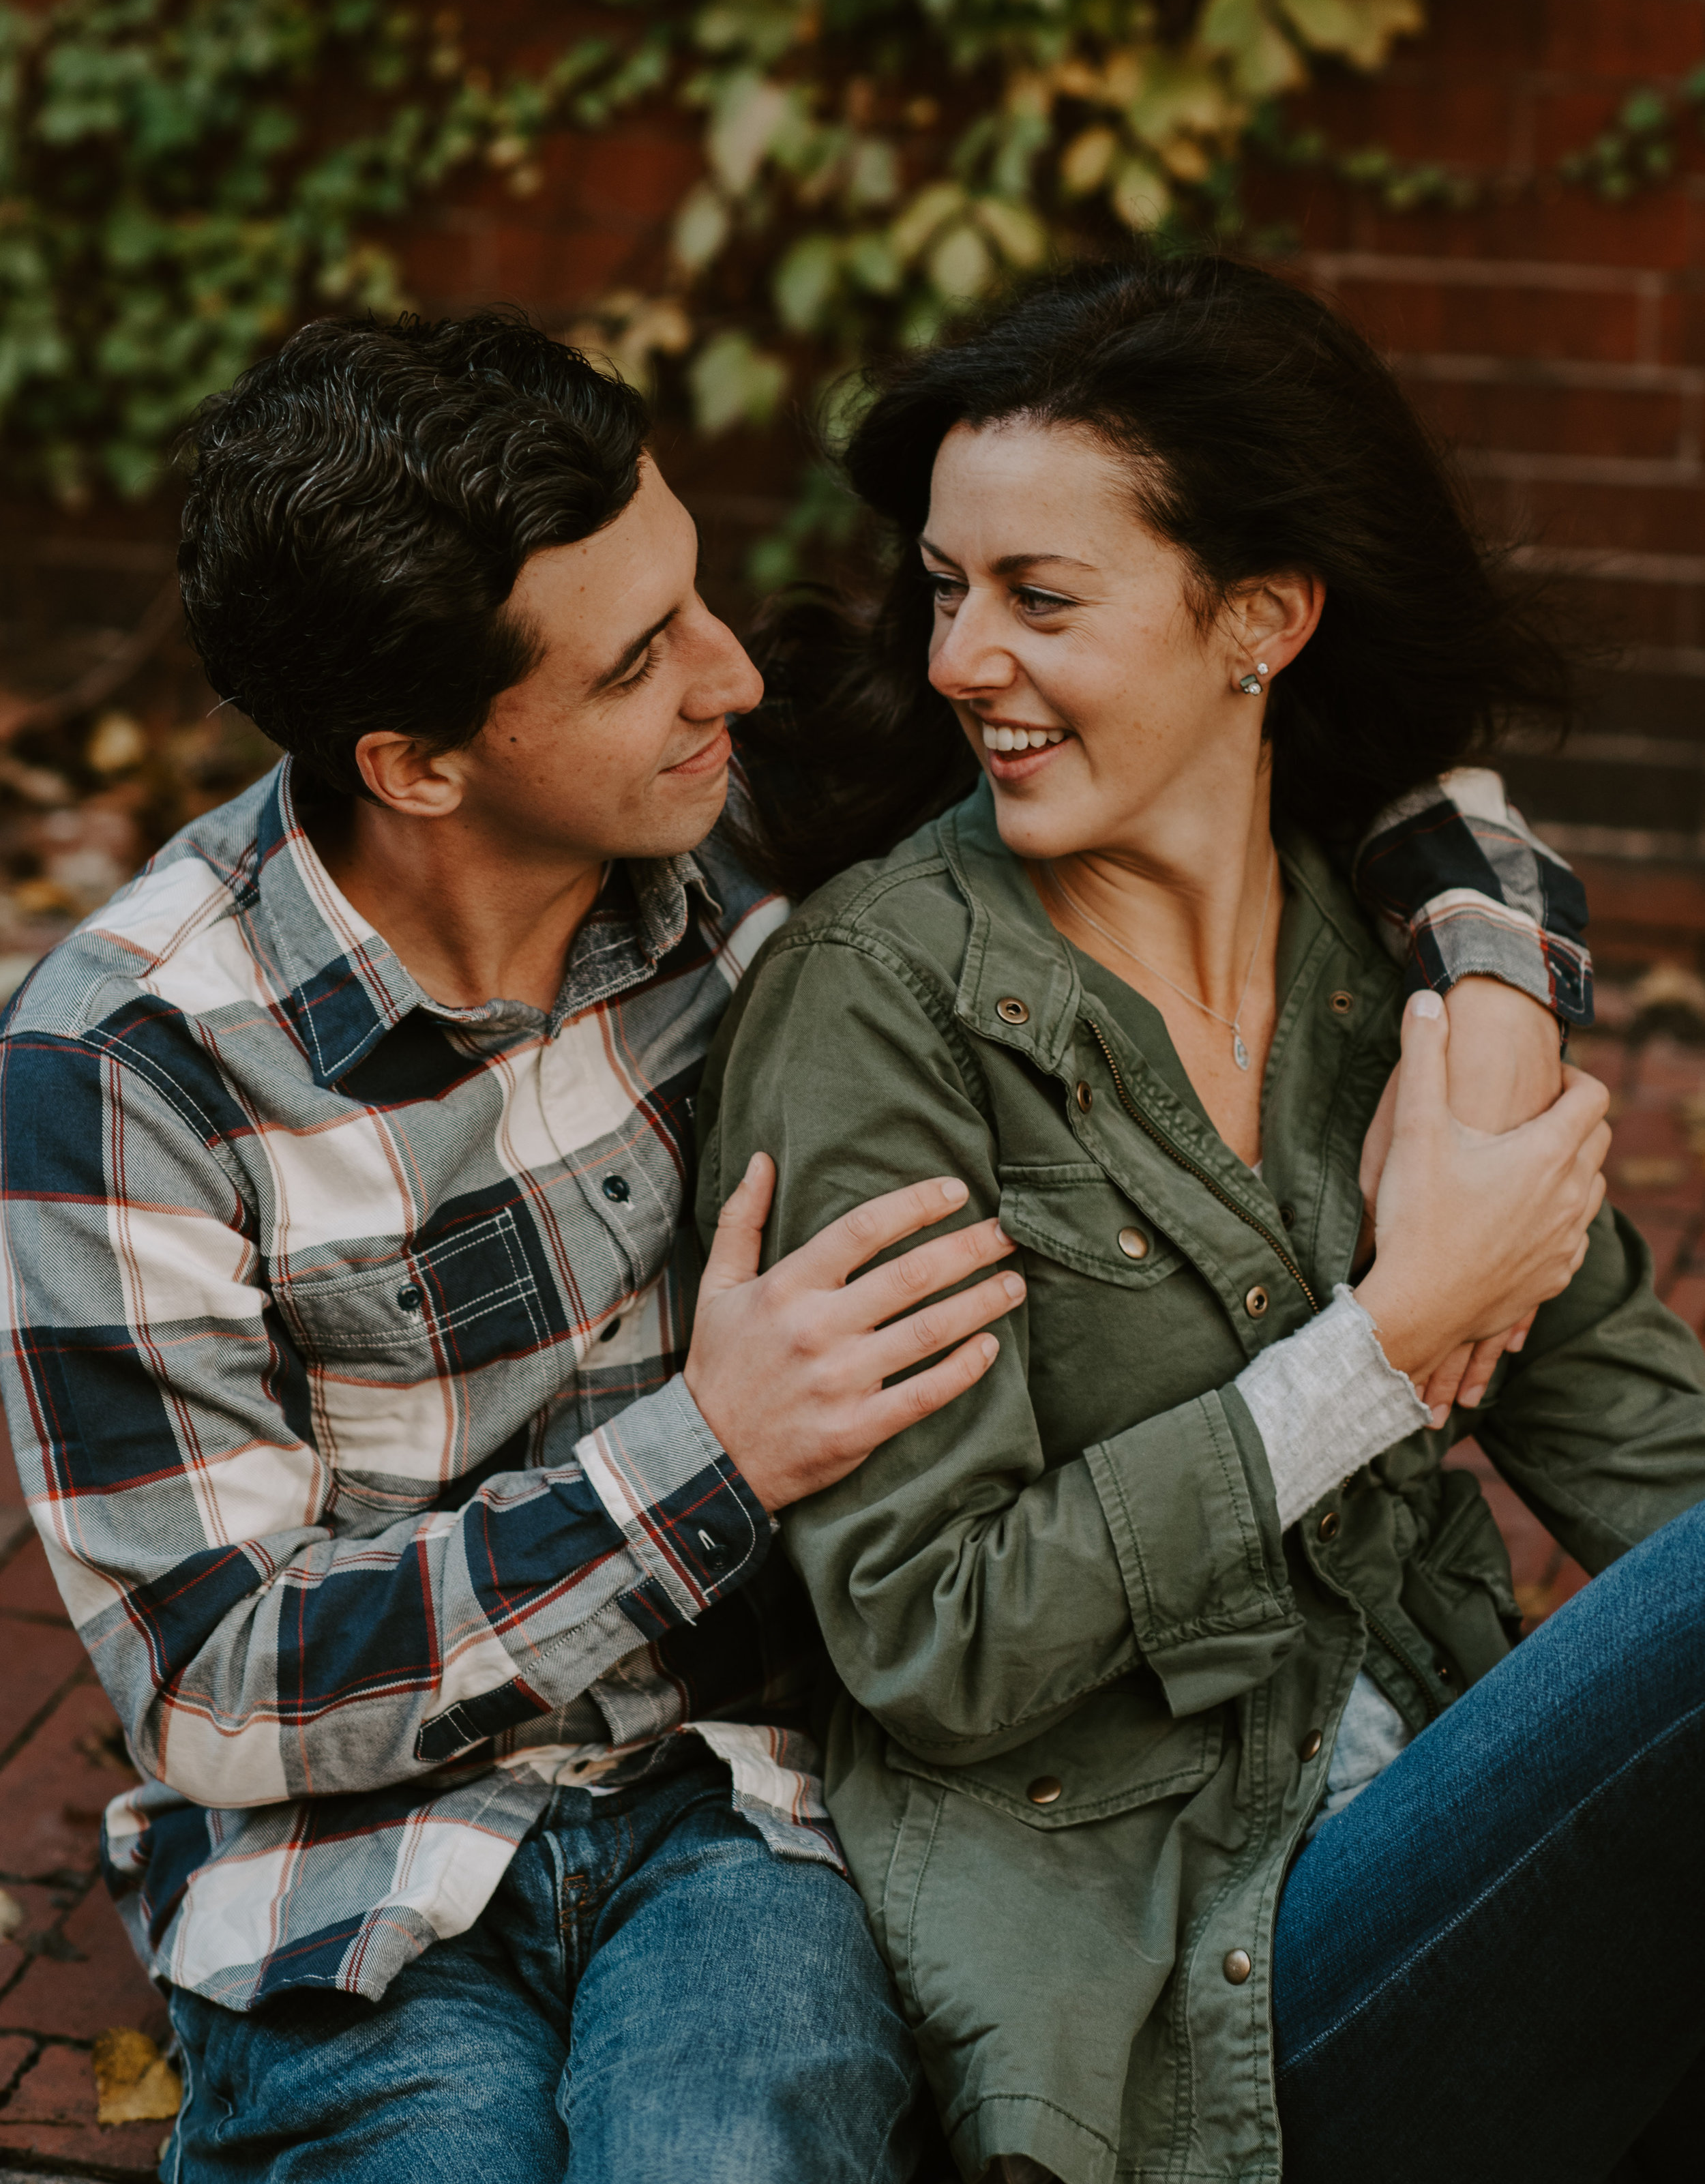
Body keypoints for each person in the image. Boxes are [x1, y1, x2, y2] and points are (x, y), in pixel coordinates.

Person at [0, 309, 1592, 2184]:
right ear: (420, 763)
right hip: (347, 1873)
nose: (733, 672)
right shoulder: (123, 1070)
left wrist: (1493, 995)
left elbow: (1341, 757)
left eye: (690, 596)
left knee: (731, 2153)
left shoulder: (760, 815)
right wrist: (708, 1454)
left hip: (740, 1812)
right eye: (638, 661)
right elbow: (219, 1684)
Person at [694, 253, 1705, 2184]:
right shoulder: (879, 1000)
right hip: (1172, 1999)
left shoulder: (1399, 977)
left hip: (1440, 1843)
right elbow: (931, 1628)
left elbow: (1649, 1467)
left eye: (1037, 597)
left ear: (1260, 619)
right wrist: (1377, 1356)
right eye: (944, 588)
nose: (957, 659)